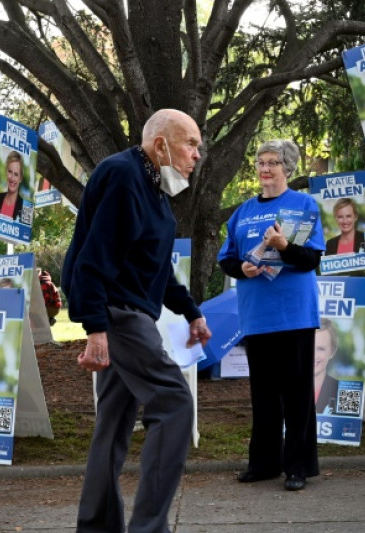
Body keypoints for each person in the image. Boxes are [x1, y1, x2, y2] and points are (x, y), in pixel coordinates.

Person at [61, 108, 211, 532]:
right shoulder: (124, 176)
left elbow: (157, 270)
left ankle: (97, 527)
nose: (197, 155)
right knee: (175, 402)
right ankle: (149, 528)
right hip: (120, 315)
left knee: (112, 425)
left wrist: (192, 312)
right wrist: (95, 328)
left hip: (126, 312)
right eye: (190, 144)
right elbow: (92, 258)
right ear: (160, 145)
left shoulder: (154, 192)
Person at [217, 139, 324, 492]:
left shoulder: (303, 204)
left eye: (272, 162)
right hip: (257, 314)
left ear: (287, 168)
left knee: (296, 394)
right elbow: (227, 259)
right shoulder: (243, 212)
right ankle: (264, 464)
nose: (265, 168)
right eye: (261, 162)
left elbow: (310, 260)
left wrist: (284, 247)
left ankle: (298, 467)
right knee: (263, 395)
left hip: (294, 314)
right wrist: (242, 269)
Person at [0, 151, 32, 224]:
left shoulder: (26, 209)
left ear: (20, 178)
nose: (12, 178)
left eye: (16, 174)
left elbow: (24, 230)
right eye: (10, 172)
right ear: (6, 172)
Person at [314, 319, 340, 415]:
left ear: (332, 352)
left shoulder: (341, 391)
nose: (313, 355)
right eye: (308, 347)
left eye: (320, 349)